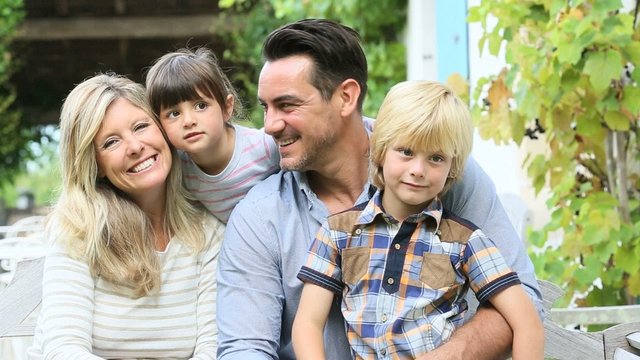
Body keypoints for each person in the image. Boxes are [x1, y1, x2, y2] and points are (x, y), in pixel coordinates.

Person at [216, 18, 543, 360]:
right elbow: (245, 349)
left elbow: (525, 304)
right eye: (266, 107)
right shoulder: (262, 216)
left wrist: (448, 356)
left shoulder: (441, 171)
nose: (269, 125)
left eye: (287, 105)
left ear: (346, 97)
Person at [292, 80, 544, 359]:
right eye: (406, 152)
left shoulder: (465, 241)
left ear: (453, 167)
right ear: (381, 150)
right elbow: (307, 324)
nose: (418, 170)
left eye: (436, 158)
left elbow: (526, 320)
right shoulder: (338, 232)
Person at [27, 73, 224, 359]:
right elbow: (64, 350)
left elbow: (212, 348)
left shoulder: (207, 231)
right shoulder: (78, 229)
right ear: (95, 165)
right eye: (110, 143)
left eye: (141, 126)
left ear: (163, 130)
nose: (134, 147)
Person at [145, 47, 280, 223]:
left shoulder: (265, 147)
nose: (188, 121)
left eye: (201, 106)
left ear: (226, 107)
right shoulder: (178, 168)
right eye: (174, 114)